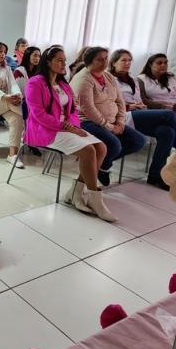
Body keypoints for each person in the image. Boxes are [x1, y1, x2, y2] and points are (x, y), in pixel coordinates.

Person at [25, 46, 111, 220]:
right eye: (59, 60)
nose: (64, 63)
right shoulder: (35, 83)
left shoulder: (63, 84)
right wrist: (65, 126)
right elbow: (38, 114)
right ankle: (95, 197)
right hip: (44, 130)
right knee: (89, 151)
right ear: (48, 62)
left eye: (64, 60)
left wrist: (72, 126)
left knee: (101, 148)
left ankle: (75, 192)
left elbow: (72, 110)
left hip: (66, 128)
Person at [109, 50, 176, 190]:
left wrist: (141, 105)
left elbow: (141, 99)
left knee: (168, 132)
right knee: (169, 115)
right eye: (123, 60)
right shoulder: (109, 79)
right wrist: (130, 106)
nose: (127, 63)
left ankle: (155, 176)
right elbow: (108, 103)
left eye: (130, 60)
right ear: (113, 63)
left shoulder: (133, 79)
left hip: (139, 113)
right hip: (124, 115)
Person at [71, 46, 146, 189]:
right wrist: (109, 127)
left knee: (138, 141)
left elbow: (119, 101)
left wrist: (120, 122)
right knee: (114, 145)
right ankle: (95, 172)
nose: (105, 62)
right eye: (100, 59)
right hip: (85, 121)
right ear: (89, 61)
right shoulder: (83, 79)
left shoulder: (109, 76)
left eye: (106, 58)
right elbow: (88, 109)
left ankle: (102, 165)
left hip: (111, 121)